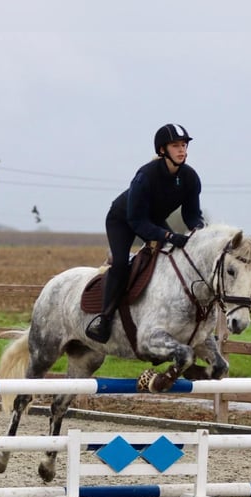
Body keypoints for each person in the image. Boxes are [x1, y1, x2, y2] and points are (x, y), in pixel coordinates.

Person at [85, 123, 206, 343]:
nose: (182, 150)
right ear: (162, 150)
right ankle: (104, 318)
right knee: (121, 263)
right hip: (123, 219)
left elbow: (192, 216)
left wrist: (201, 231)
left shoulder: (190, 178)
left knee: (176, 257)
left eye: (184, 145)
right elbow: (137, 221)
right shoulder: (145, 176)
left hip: (153, 220)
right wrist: (169, 236)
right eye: (175, 145)